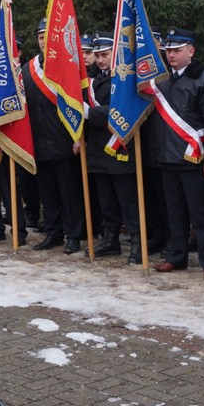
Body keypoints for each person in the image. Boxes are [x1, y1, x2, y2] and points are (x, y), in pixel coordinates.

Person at [149, 29, 204, 281]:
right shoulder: (161, 81)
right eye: (169, 50)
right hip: (167, 158)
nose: (171, 55)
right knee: (175, 213)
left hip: (194, 159)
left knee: (201, 214)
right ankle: (176, 256)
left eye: (177, 50)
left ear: (190, 51)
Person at [22, 18, 86, 254]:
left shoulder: (68, 69)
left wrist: (78, 137)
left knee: (69, 192)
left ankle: (74, 234)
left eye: (48, 38)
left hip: (64, 141)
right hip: (38, 141)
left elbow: (81, 106)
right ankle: (53, 232)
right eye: (40, 38)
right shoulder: (27, 71)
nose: (43, 42)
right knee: (47, 192)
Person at [84, 34, 140, 258]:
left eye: (104, 55)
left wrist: (92, 113)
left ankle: (136, 239)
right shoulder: (91, 79)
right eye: (97, 56)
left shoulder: (124, 78)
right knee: (105, 199)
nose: (100, 60)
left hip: (119, 147)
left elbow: (124, 108)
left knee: (127, 199)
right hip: (97, 149)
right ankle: (110, 239)